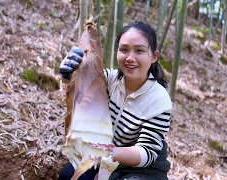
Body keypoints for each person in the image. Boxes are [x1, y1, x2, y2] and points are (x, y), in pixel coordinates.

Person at [59, 21, 172, 180]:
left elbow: (146, 153)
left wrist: (107, 152)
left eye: (139, 51)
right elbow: (81, 87)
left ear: (154, 56)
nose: (130, 58)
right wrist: (70, 72)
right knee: (69, 175)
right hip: (104, 156)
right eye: (124, 50)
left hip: (142, 170)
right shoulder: (108, 79)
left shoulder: (159, 100)